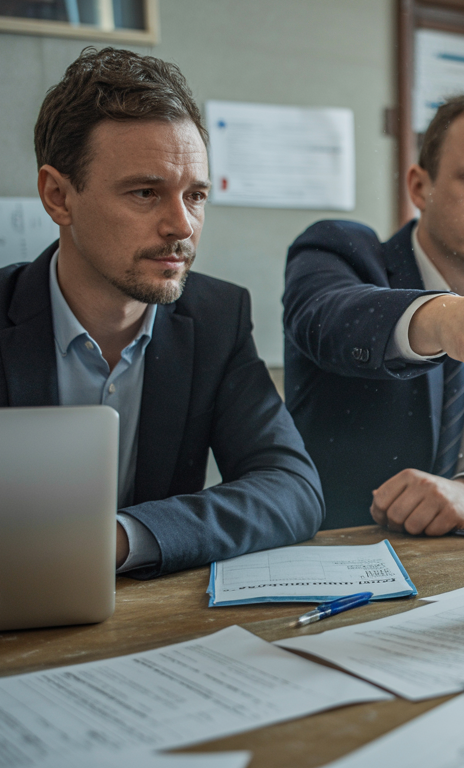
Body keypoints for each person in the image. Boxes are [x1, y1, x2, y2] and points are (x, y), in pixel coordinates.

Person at [0, 47, 323, 578]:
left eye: (194, 196)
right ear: (58, 196)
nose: (182, 226)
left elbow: (291, 489)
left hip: (153, 626)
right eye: (146, 193)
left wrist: (124, 538)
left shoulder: (218, 317)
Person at [284, 91, 464, 532]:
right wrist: (442, 317)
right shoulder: (341, 251)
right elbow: (327, 320)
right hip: (341, 559)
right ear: (420, 187)